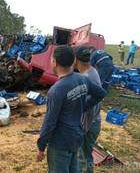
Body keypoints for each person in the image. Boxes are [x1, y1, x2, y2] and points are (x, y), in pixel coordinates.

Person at [36, 45, 107, 173]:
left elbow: (50, 122)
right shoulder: (82, 79)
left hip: (60, 143)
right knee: (75, 168)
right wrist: (83, 107)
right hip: (76, 136)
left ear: (55, 62)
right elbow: (101, 93)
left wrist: (41, 146)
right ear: (73, 61)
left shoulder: (56, 90)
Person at [74, 46, 102, 173]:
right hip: (95, 122)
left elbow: (89, 107)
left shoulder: (86, 78)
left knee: (81, 157)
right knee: (87, 155)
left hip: (88, 124)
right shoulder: (92, 71)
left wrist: (81, 128)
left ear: (76, 60)